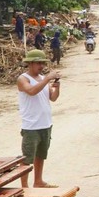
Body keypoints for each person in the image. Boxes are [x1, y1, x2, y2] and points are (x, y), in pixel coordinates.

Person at [18, 49, 60, 188]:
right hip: (31, 126)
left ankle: (38, 181)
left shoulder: (43, 79)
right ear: (29, 64)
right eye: (38, 63)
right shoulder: (23, 79)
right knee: (27, 158)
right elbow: (31, 91)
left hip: (45, 124)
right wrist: (48, 78)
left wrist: (57, 87)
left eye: (42, 63)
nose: (41, 66)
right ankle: (24, 187)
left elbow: (52, 98)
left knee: (41, 155)